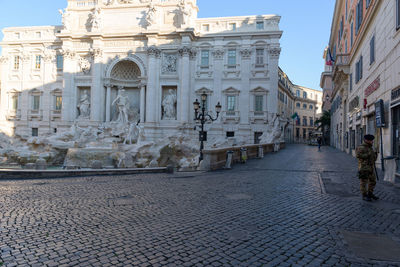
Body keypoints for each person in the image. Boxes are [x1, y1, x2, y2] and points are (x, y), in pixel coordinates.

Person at [356, 134, 379, 201]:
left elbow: (373, 158)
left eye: (372, 140)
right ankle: (364, 195)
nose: (372, 141)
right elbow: (358, 155)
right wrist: (368, 154)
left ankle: (370, 193)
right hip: (364, 168)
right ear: (366, 140)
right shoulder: (361, 147)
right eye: (371, 140)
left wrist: (375, 154)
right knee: (363, 182)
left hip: (371, 167)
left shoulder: (370, 147)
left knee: (373, 181)